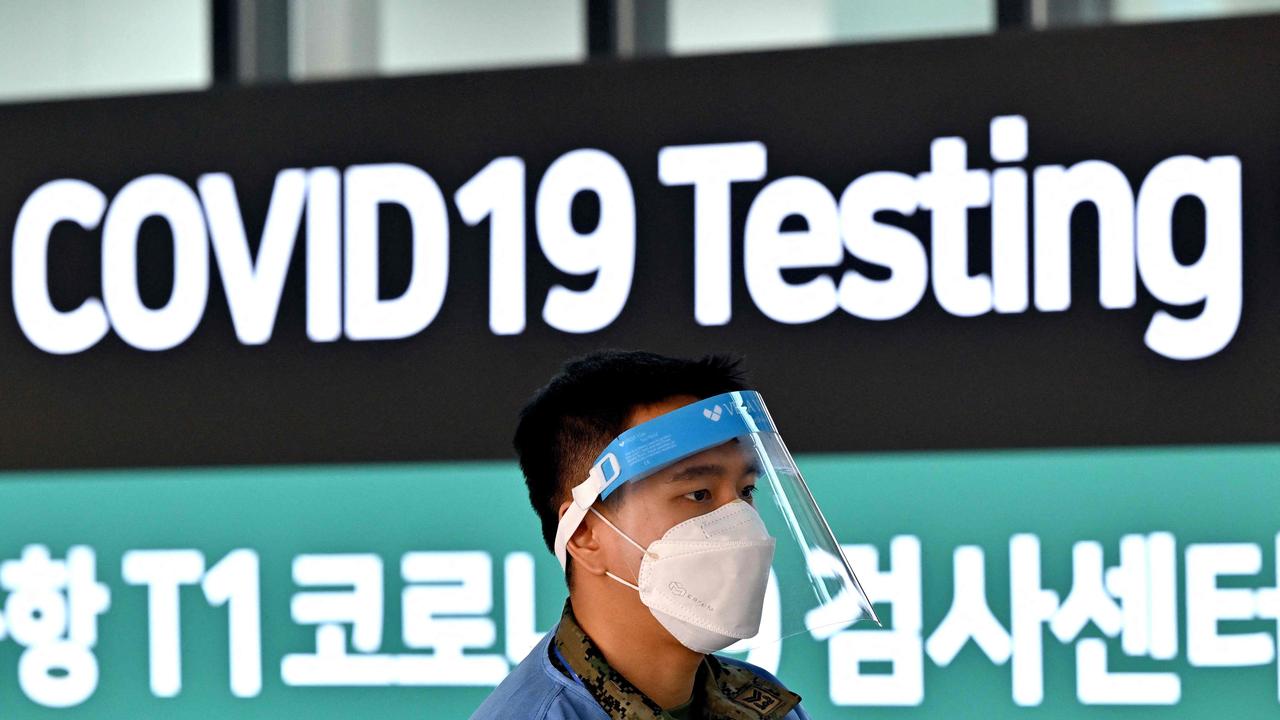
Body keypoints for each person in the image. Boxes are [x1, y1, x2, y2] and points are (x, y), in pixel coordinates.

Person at [473, 349, 871, 719]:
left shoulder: (761, 704)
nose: (740, 523)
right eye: (698, 494)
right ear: (584, 534)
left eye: (746, 491)